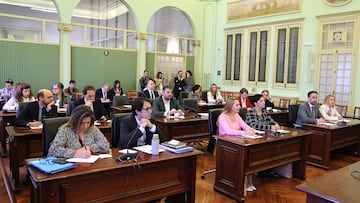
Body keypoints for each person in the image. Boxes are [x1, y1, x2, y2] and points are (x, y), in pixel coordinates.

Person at [217, 98, 256, 192]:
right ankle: (237, 180)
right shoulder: (223, 117)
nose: (240, 107)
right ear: (230, 106)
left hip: (238, 140)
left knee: (250, 154)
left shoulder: (236, 115)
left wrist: (250, 129)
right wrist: (244, 133)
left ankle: (248, 179)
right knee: (243, 156)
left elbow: (244, 125)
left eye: (239, 104)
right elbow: (228, 131)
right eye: (237, 105)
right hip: (226, 143)